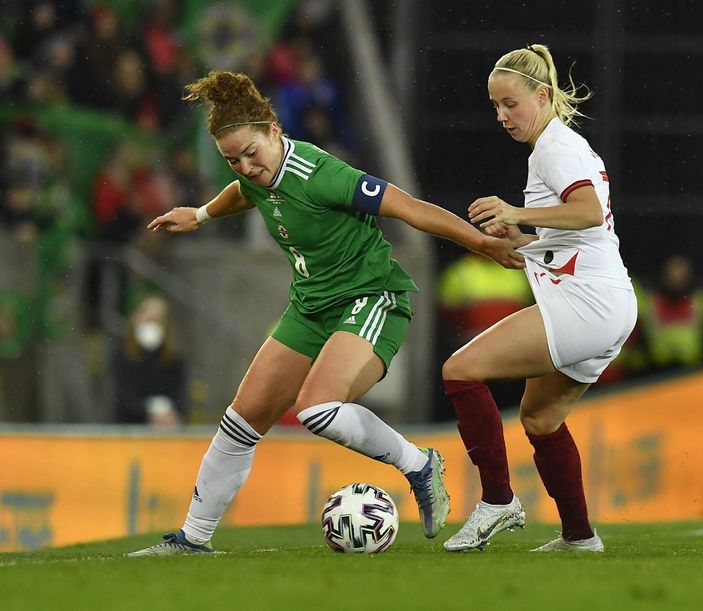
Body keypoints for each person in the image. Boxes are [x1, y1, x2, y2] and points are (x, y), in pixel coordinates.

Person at [129, 70, 523, 556]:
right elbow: (245, 192)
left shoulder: (321, 174)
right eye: (232, 160)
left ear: (276, 130)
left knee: (316, 408)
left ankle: (420, 466)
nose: (246, 167)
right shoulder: (253, 175)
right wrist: (203, 214)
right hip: (311, 306)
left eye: (252, 153)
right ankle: (192, 540)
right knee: (240, 420)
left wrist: (481, 243)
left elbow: (407, 207)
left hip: (370, 298)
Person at [440, 44, 637, 553]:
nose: (503, 116)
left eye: (511, 103)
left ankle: (498, 502)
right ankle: (579, 537)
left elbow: (589, 212)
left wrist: (516, 213)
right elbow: (578, 232)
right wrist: (523, 246)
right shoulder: (558, 147)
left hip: (587, 300)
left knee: (460, 370)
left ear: (542, 95)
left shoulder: (554, 148)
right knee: (540, 418)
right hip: (608, 299)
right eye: (495, 107)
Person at [111, 294, 187, 426]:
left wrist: (169, 412)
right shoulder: (122, 356)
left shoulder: (174, 359)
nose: (152, 325)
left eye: (157, 320)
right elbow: (123, 397)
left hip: (167, 430)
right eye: (148, 320)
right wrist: (149, 412)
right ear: (136, 320)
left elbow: (181, 397)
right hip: (129, 429)